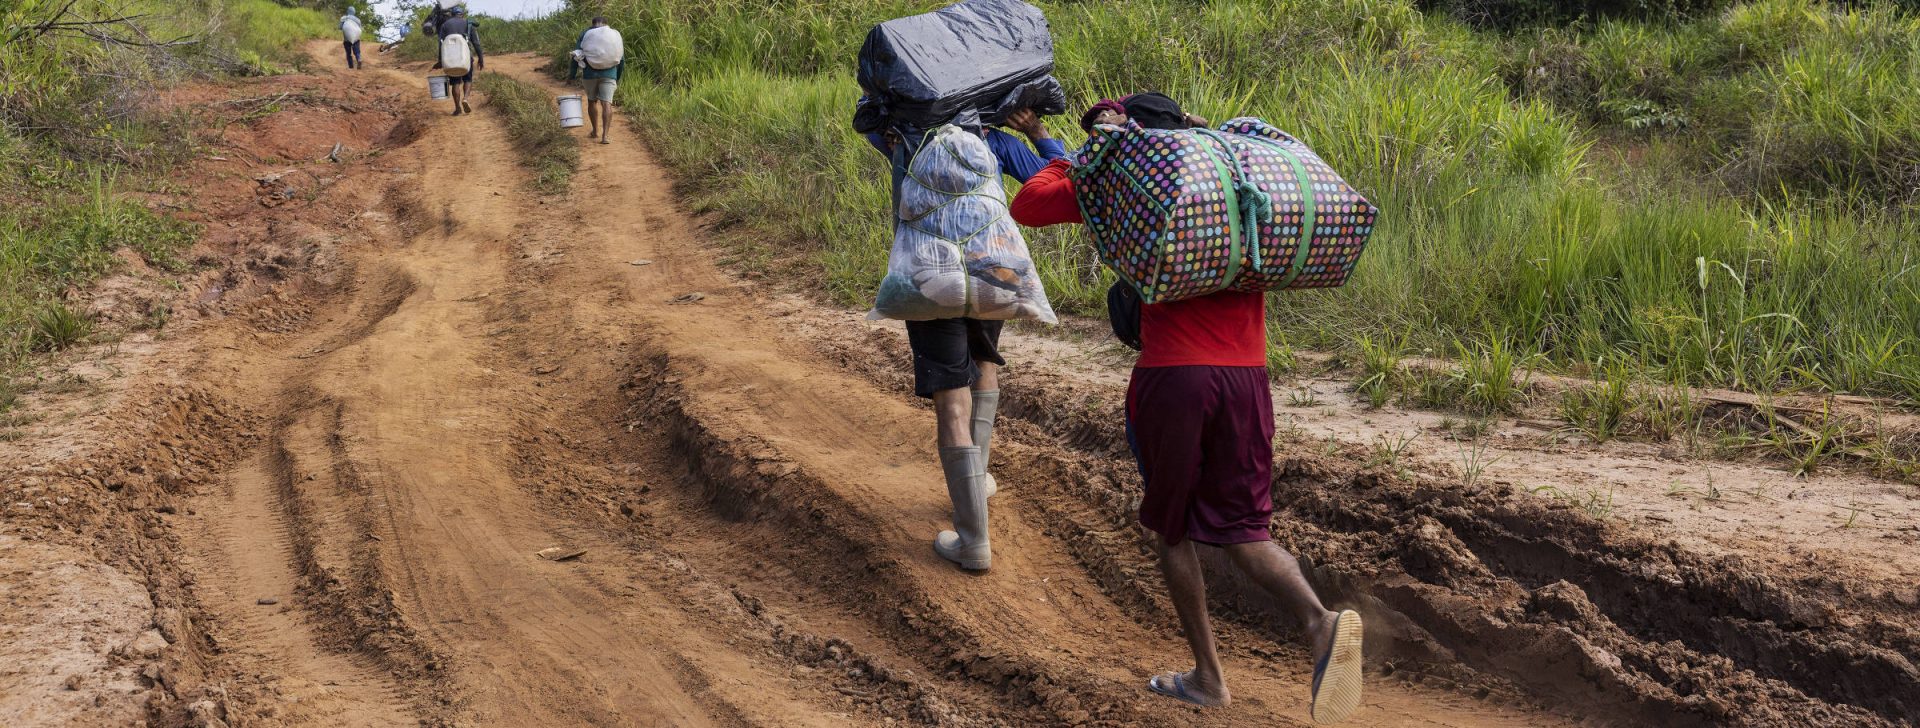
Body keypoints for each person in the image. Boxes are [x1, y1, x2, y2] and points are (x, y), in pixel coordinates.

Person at [1009, 93, 1366, 724]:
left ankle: (1208, 678)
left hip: (1175, 377)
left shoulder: (1129, 181)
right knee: (1246, 532)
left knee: (1169, 529)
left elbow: (1029, 203)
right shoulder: (1229, 174)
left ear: (1131, 133)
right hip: (1248, 376)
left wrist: (1069, 154)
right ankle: (1320, 621)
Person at [864, 110, 1065, 571]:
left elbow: (870, 121)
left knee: (951, 402)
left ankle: (973, 540)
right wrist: (1037, 132)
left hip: (928, 276)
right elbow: (1051, 175)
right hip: (992, 272)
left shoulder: (903, 135)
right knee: (984, 363)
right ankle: (982, 476)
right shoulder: (992, 138)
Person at [566, 16, 623, 145]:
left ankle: (595, 131)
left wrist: (572, 75)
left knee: (592, 102)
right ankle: (605, 136)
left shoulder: (586, 34)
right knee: (606, 103)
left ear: (592, 24)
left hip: (589, 74)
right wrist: (617, 77)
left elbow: (576, 55)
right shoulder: (614, 35)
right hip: (610, 74)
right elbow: (621, 58)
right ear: (606, 24)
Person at [433, 7, 483, 116]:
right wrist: (481, 58)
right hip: (466, 58)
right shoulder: (468, 24)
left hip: (451, 59)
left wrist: (440, 60)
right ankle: (465, 99)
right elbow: (476, 43)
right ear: (462, 14)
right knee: (468, 79)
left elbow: (441, 43)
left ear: (452, 14)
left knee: (455, 83)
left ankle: (457, 108)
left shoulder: (445, 25)